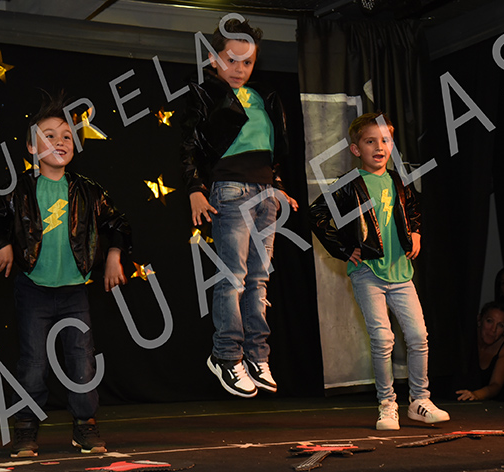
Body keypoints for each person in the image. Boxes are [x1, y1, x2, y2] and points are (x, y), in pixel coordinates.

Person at [0, 94, 132, 457]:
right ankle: (25, 428)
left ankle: (85, 425)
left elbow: (118, 223)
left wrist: (114, 254)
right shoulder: (18, 190)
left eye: (66, 136)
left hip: (75, 292)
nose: (60, 142)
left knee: (82, 361)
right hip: (34, 290)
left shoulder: (88, 190)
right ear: (32, 147)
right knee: (33, 363)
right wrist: (2, 243)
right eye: (49, 136)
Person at [308, 112, 449, 430]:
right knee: (383, 339)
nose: (379, 147)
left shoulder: (398, 180)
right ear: (356, 149)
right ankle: (387, 404)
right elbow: (317, 214)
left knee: (418, 336)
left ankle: (420, 401)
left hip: (401, 273)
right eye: (370, 141)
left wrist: (415, 231)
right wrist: (344, 249)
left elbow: (412, 207)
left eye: (385, 140)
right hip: (368, 273)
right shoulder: (348, 184)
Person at [180, 17, 298, 398]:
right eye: (231, 60)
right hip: (230, 188)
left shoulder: (264, 97)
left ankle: (257, 355)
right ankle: (226, 355)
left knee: (259, 278)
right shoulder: (204, 94)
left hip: (265, 194)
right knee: (233, 276)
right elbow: (189, 145)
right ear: (213, 58)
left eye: (247, 62)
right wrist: (195, 188)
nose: (239, 69)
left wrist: (278, 188)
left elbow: (272, 149)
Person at [456, 301, 504, 401]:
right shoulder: (465, 337)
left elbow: (496, 384)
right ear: (479, 320)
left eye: (500, 325)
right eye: (489, 321)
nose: (493, 329)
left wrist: (476, 395)